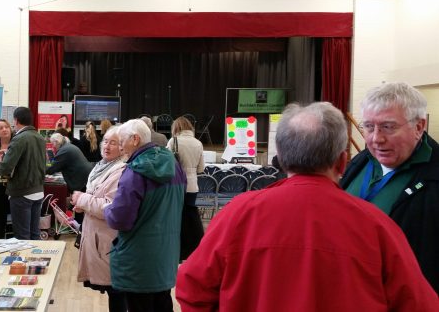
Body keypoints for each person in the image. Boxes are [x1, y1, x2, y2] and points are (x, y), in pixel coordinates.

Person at [176, 102, 439, 311]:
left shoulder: (237, 214)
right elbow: (418, 304)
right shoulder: (378, 225)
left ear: (281, 157)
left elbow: (191, 289)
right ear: (342, 162)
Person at [340, 82, 439, 292]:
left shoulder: (434, 176)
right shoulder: (361, 162)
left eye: (388, 127)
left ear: (419, 127)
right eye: (368, 126)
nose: (376, 138)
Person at [103, 119, 186, 311]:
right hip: (166, 256)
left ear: (135, 139)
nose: (121, 147)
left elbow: (120, 219)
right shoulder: (174, 165)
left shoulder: (134, 172)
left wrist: (108, 208)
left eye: (122, 141)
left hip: (138, 261)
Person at [70, 126, 127, 312]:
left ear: (123, 147)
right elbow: (95, 195)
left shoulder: (121, 170)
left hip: (109, 239)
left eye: (113, 143)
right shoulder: (100, 166)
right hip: (97, 236)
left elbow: (110, 208)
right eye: (105, 141)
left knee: (117, 290)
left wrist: (82, 199)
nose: (107, 146)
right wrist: (82, 204)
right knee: (114, 291)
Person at [0, 107, 46, 240]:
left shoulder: (19, 139)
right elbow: (31, 159)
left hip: (22, 192)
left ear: (16, 120)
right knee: (35, 234)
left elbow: (5, 168)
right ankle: (36, 260)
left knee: (22, 237)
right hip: (38, 191)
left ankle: (23, 262)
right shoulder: (40, 137)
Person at [166, 116, 205, 261]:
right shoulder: (198, 143)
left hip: (177, 185)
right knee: (191, 215)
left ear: (176, 127)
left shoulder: (173, 141)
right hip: (193, 185)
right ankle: (196, 247)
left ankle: (179, 250)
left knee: (177, 217)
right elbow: (201, 168)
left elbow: (168, 165)